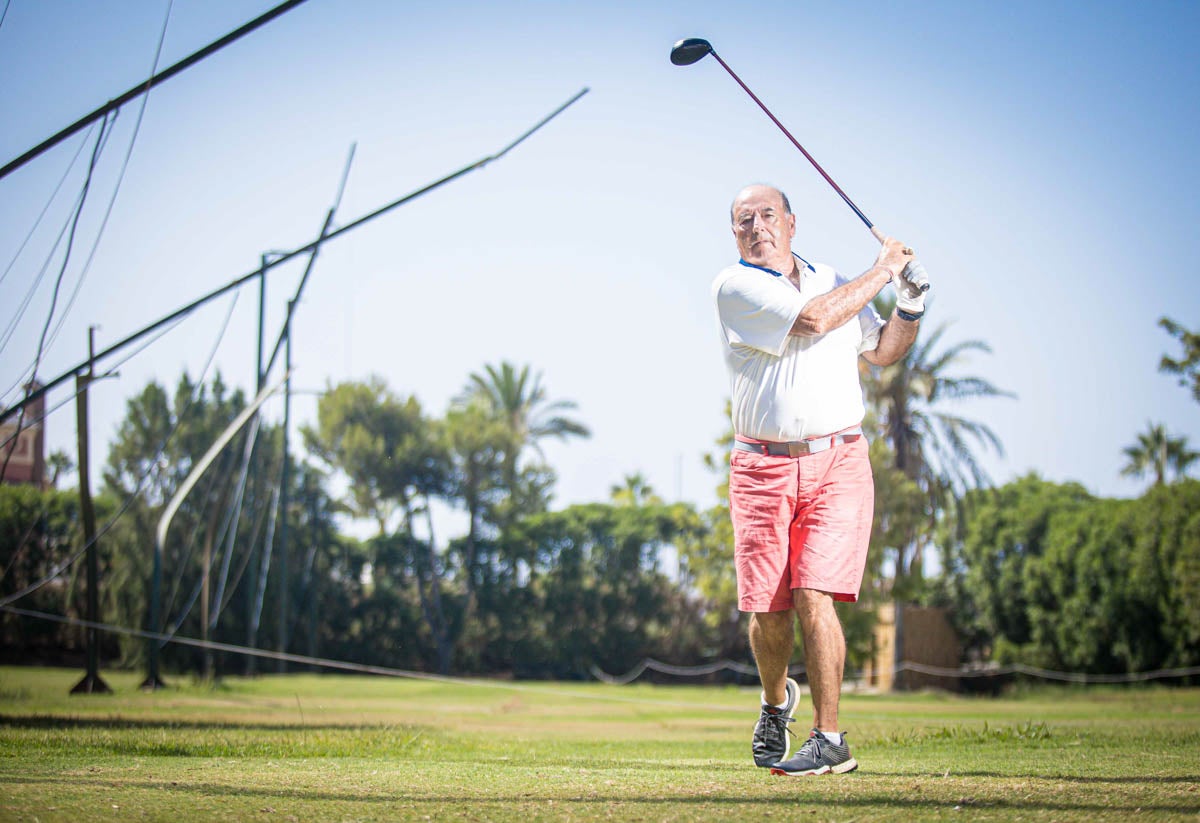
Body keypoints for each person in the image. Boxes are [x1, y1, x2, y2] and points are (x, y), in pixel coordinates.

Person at [711, 183, 927, 776]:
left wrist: (910, 304)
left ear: (792, 222)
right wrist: (885, 269)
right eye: (744, 220)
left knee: (814, 592)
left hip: (839, 460)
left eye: (768, 215)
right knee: (769, 609)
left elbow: (881, 351)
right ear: (735, 235)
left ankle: (830, 738)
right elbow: (812, 320)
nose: (757, 226)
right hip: (763, 467)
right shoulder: (736, 287)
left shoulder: (833, 278)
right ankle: (775, 702)